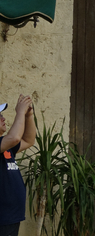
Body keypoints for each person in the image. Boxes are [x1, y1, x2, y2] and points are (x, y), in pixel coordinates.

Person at [0, 97, 34, 236]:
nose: (3, 118)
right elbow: (14, 138)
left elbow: (28, 140)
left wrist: (28, 116)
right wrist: (19, 112)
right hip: (3, 218)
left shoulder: (5, 146)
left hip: (11, 217)